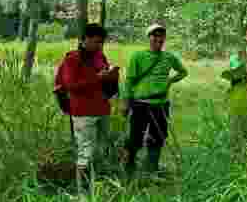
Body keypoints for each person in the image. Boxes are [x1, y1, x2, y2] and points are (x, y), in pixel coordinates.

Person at [54, 23, 119, 192]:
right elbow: (71, 85)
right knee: (86, 151)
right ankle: (81, 191)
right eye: (96, 42)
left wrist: (111, 75)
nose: (98, 46)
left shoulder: (100, 56)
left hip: (102, 108)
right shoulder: (72, 59)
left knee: (103, 147)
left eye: (101, 42)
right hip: (83, 112)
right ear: (84, 40)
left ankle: (98, 184)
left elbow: (103, 77)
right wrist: (98, 77)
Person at [122, 24, 188, 177]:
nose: (158, 38)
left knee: (158, 137)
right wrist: (126, 102)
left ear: (164, 38)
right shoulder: (138, 56)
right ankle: (129, 168)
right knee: (135, 137)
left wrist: (170, 81)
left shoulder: (169, 57)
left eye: (161, 35)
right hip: (140, 103)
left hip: (161, 104)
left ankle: (151, 169)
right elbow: (129, 81)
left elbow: (183, 72)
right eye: (154, 35)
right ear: (149, 37)